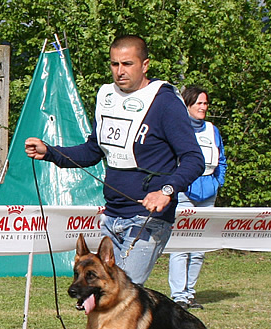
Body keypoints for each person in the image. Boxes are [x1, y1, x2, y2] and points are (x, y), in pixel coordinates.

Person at [25, 35, 205, 286]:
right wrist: (50, 152)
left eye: (127, 64)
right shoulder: (106, 96)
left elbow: (194, 159)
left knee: (119, 295)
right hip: (112, 216)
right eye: (114, 64)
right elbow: (92, 151)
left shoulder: (164, 102)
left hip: (146, 219)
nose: (120, 71)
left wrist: (166, 190)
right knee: (101, 294)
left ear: (145, 65)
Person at [168, 86, 227, 309]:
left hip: (208, 194)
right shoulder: (177, 129)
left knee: (199, 247)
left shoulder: (213, 130)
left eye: (205, 103)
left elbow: (221, 160)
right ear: (187, 105)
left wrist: (217, 182)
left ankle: (190, 293)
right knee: (181, 246)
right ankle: (178, 296)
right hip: (184, 192)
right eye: (198, 103)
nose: (203, 107)